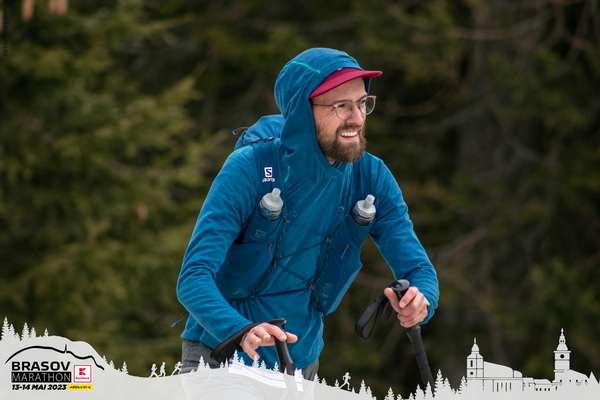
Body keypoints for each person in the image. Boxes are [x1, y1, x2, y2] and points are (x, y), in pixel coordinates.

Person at [176, 48, 439, 380]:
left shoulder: (371, 177)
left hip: (301, 365)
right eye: (341, 106)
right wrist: (241, 330)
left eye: (362, 103)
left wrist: (421, 299)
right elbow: (193, 277)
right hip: (222, 355)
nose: (357, 118)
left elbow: (419, 270)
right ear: (302, 111)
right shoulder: (248, 169)